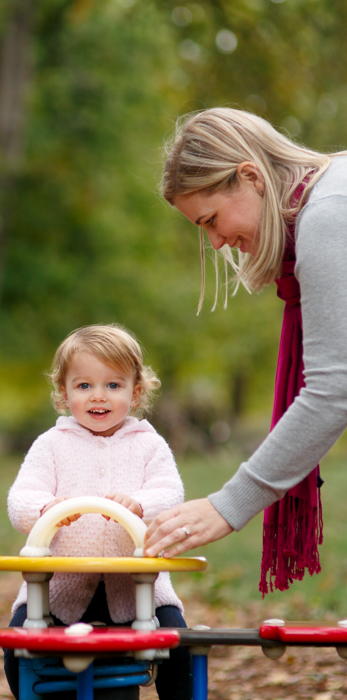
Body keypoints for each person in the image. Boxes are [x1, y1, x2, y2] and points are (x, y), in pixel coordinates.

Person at [144, 107, 345, 595]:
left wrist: (228, 503)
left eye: (211, 219)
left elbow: (333, 388)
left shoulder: (327, 215)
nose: (215, 243)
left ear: (251, 176)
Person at [4, 324, 191, 700]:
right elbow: (20, 498)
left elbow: (171, 493)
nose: (98, 397)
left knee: (178, 643)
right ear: (64, 392)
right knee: (16, 642)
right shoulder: (51, 446)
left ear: (136, 392)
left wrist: (141, 503)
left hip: (139, 589)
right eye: (84, 386)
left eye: (113, 385)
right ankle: (35, 691)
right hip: (57, 590)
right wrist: (44, 508)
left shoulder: (149, 445)